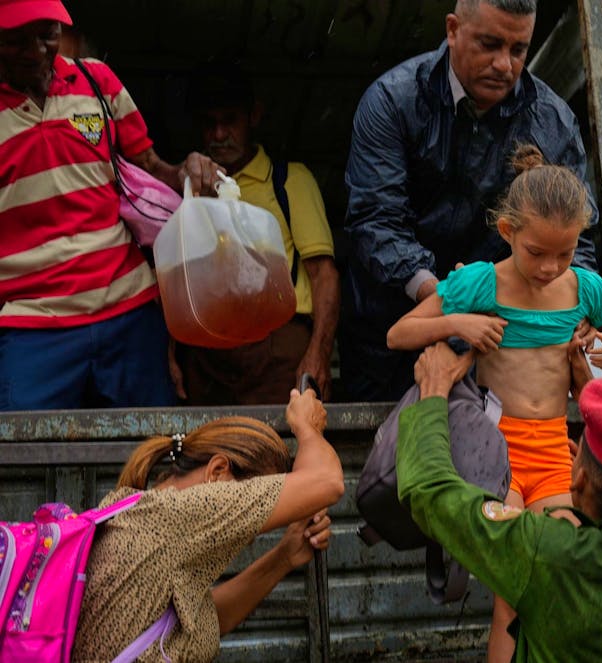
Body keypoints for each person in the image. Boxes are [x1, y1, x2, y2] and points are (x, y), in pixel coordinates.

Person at [387, 144, 602, 660]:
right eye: (536, 252)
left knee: (558, 579)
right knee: (512, 592)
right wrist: (458, 322)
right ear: (507, 233)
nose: (549, 267)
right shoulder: (481, 282)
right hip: (495, 454)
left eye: (563, 254)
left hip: (556, 456)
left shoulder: (583, 287)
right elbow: (399, 334)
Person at [396, 341, 602, 662]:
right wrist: (599, 439)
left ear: (578, 480)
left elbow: (428, 489)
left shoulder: (546, 552)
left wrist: (434, 391)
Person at [341, 0, 601, 401]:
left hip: (502, 336)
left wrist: (579, 302)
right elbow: (376, 220)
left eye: (518, 50)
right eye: (489, 44)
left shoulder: (553, 122)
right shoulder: (391, 101)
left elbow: (577, 237)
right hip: (387, 327)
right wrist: (448, 298)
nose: (504, 65)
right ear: (452, 29)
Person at [0, 0, 222, 411]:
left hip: (128, 310)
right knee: (21, 462)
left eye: (47, 34)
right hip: (32, 324)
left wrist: (188, 169)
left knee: (158, 451)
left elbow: (152, 167)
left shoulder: (97, 80)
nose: (36, 51)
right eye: (16, 40)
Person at [72, 385, 345, 662]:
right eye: (252, 509)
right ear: (217, 472)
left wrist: (283, 557)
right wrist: (307, 427)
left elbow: (205, 624)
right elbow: (327, 481)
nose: (250, 535)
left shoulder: (135, 507)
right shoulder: (178, 513)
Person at [170, 64, 341, 403]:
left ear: (254, 116)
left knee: (278, 451)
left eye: (229, 120)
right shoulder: (189, 191)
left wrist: (318, 354)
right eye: (209, 124)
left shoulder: (289, 180)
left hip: (277, 351)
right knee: (210, 453)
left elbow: (324, 275)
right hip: (208, 356)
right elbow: (177, 284)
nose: (219, 135)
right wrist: (171, 354)